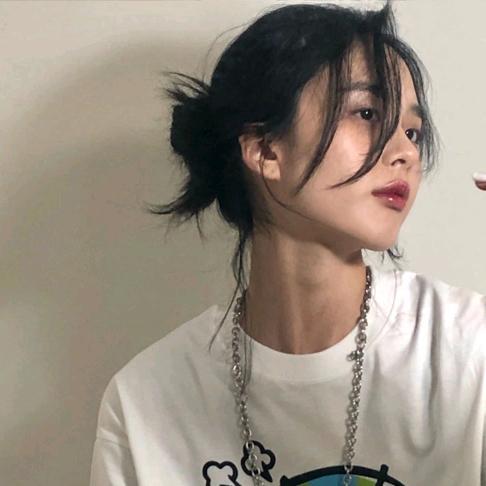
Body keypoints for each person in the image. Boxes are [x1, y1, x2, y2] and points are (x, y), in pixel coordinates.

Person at [89, 2, 486, 485]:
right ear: (265, 150)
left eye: (412, 132)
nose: (405, 152)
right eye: (367, 113)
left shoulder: (468, 350)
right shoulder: (145, 404)